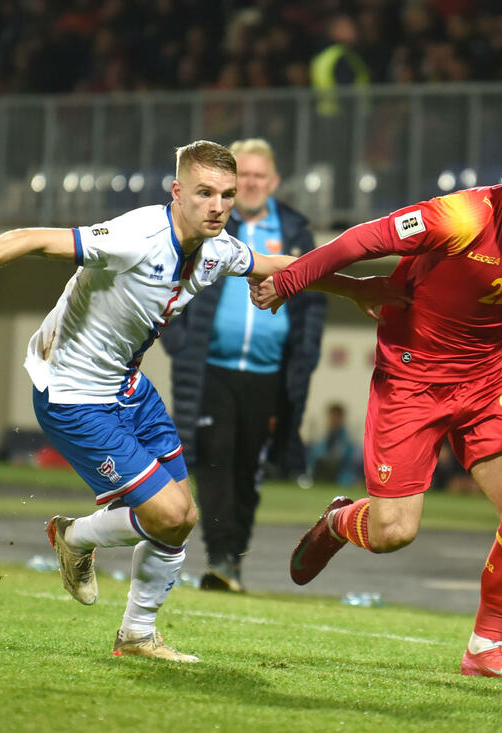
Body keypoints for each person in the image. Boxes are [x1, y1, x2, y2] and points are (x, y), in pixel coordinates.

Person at [0, 140, 400, 662]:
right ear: (177, 192)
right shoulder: (137, 237)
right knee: (168, 514)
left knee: (182, 517)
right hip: (73, 396)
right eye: (204, 193)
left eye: (226, 194)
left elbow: (279, 264)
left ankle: (136, 636)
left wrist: (356, 288)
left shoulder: (217, 249)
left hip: (128, 387)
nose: (218, 206)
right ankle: (74, 537)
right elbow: (30, 238)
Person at [251, 134, 502, 680]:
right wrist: (292, 280)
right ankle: (338, 522)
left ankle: (484, 649)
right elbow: (360, 241)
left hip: (484, 380)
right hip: (411, 379)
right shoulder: (459, 217)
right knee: (392, 532)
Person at [160, 138, 327, 592]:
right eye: (243, 176)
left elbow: (313, 300)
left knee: (249, 470)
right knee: (213, 461)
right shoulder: (208, 222)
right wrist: (179, 341)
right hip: (211, 368)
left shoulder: (293, 230)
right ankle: (219, 559)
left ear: (273, 182)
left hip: (270, 374)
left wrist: (305, 357)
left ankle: (232, 560)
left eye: (258, 176)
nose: (250, 184)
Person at [305, 402, 357, 487]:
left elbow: (345, 460)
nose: (334, 420)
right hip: (318, 476)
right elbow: (314, 457)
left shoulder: (347, 440)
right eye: (332, 417)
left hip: (340, 477)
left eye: (337, 417)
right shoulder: (322, 437)